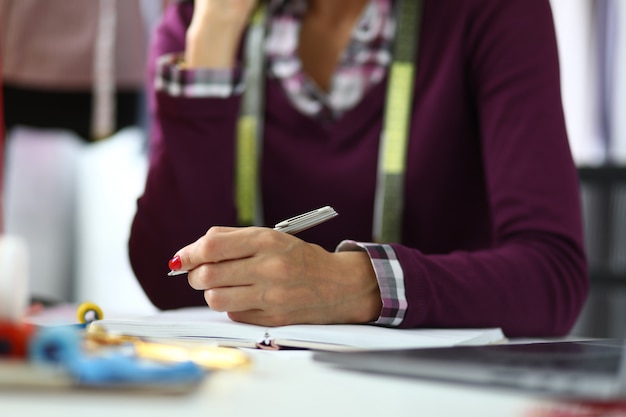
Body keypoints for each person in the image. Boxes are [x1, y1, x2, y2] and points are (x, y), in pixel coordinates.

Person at [129, 0, 589, 337]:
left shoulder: (494, 11)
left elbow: (551, 277)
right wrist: (213, 32)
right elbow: (170, 284)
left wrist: (347, 285)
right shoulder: (196, 16)